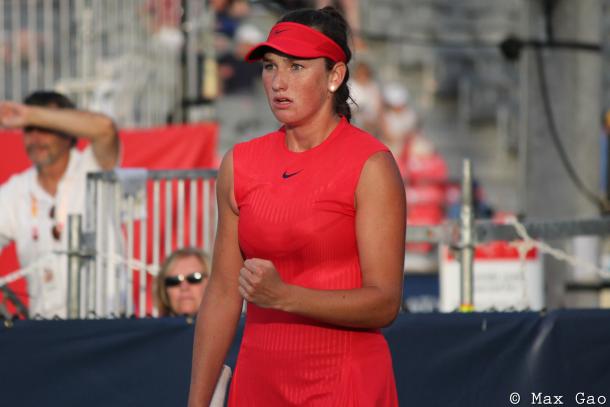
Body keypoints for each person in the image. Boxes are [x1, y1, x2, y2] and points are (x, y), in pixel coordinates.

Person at [188, 7, 405, 406]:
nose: (278, 82)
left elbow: (385, 302)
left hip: (345, 385)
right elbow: (221, 293)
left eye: (297, 67)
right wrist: (198, 402)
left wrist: (285, 296)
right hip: (257, 386)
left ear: (335, 76)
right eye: (270, 67)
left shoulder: (371, 165)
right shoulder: (240, 164)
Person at [0, 90, 120, 318]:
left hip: (105, 329)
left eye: (45, 129)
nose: (35, 139)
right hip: (46, 334)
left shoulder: (92, 166)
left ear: (69, 132)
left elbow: (105, 129)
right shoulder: (16, 190)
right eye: (28, 130)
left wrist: (29, 115)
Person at [154, 247, 211, 317]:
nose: (184, 287)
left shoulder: (227, 327)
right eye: (174, 281)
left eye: (194, 278)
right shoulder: (148, 327)